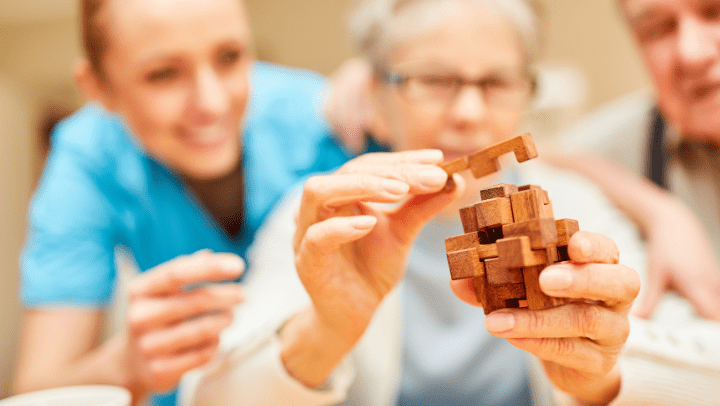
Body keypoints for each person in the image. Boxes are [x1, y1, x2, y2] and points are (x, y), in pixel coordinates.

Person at [180, 1, 652, 405]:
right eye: (434, 80)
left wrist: (599, 384)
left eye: (497, 83)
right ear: (376, 104)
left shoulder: (576, 210)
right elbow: (208, 395)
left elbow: (690, 371)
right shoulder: (324, 220)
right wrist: (325, 330)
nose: (469, 113)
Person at [12, 0, 384, 405]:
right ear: (98, 88)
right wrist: (125, 367)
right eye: (164, 74)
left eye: (230, 57)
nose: (211, 104)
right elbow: (38, 391)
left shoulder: (324, 117)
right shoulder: (88, 158)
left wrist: (393, 92)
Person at [552, 0, 720, 322]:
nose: (692, 52)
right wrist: (659, 209)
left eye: (715, 12)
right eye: (657, 30)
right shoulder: (634, 139)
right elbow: (532, 156)